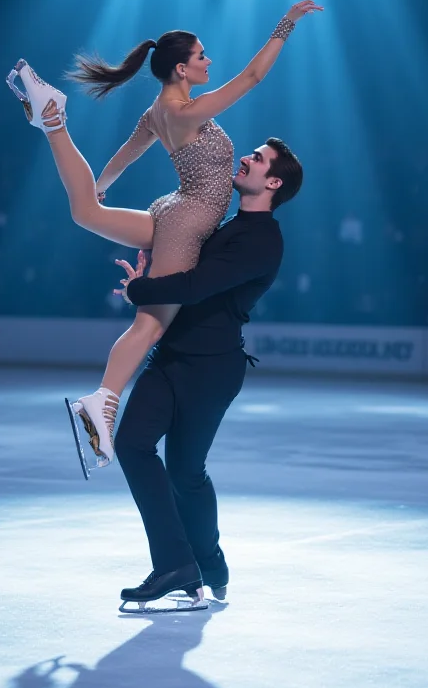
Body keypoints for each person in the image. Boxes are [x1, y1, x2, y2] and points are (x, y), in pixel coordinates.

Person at [6, 0, 322, 474]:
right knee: (149, 325)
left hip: (171, 207)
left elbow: (126, 154)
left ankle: (53, 121)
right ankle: (104, 402)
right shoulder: (190, 112)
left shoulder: (158, 112)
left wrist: (102, 186)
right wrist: (286, 24)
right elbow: (253, 77)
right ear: (181, 68)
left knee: (85, 209)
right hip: (188, 220)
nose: (209, 61)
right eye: (202, 56)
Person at [111, 136, 303, 610]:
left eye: (256, 159)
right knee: (131, 445)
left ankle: (209, 563)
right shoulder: (231, 223)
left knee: (185, 471)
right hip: (172, 356)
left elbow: (197, 286)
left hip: (212, 370)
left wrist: (141, 291)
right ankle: (177, 564)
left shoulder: (262, 241)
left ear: (273, 182)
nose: (246, 158)